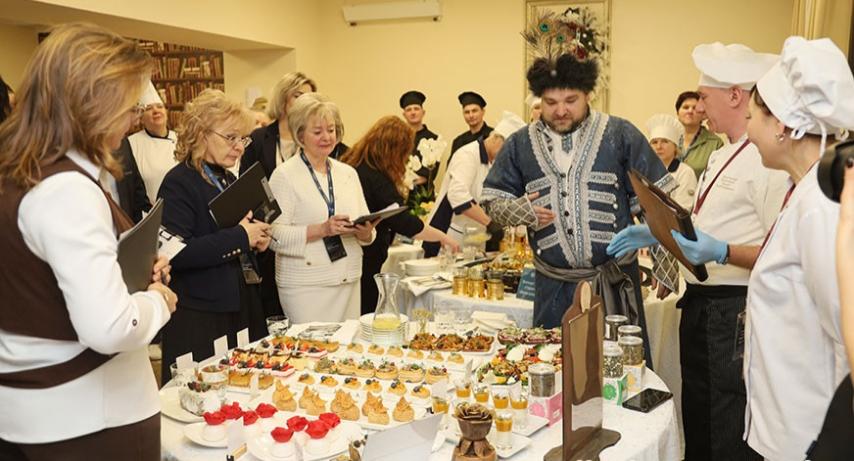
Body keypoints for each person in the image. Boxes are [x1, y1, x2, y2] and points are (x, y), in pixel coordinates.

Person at [0, 23, 176, 460]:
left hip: (34, 414)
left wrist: (129, 270)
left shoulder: (22, 171)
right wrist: (157, 301)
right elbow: (109, 327)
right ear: (91, 103)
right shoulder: (67, 189)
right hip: (90, 419)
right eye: (128, 105)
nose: (132, 118)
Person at [607, 42, 789, 461]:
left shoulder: (765, 161)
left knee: (725, 425)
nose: (700, 109)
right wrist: (657, 233)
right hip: (701, 305)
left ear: (735, 95)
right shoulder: (723, 154)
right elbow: (704, 226)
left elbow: (780, 252)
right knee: (699, 420)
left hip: (734, 311)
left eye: (705, 98)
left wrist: (723, 251)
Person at [481, 41, 674, 370]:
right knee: (552, 371)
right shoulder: (519, 144)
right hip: (553, 289)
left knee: (621, 375)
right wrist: (519, 212)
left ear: (588, 95)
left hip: (614, 286)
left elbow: (659, 203)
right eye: (550, 102)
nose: (560, 111)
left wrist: (665, 258)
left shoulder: (620, 134)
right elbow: (491, 201)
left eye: (570, 101)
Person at [738, 37, 853, 461]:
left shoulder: (820, 207)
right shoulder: (801, 192)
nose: (748, 130)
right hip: (784, 428)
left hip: (805, 438)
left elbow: (845, 330)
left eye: (753, 116)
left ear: (782, 125)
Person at [158, 89, 270, 381]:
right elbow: (176, 254)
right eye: (230, 137)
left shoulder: (226, 176)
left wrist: (256, 239)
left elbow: (228, 234)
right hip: (201, 313)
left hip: (240, 304)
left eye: (242, 139)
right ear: (201, 134)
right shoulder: (178, 182)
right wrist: (241, 238)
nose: (239, 147)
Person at [269, 93, 377, 323]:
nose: (327, 137)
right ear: (300, 135)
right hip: (305, 285)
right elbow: (273, 236)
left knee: (347, 344)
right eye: (317, 132)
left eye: (331, 129)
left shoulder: (348, 173)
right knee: (311, 345)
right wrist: (323, 229)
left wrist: (365, 233)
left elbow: (368, 232)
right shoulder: (284, 175)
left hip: (348, 279)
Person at [341, 115, 459, 313]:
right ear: (394, 149)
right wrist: (443, 237)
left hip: (352, 254)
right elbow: (404, 222)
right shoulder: (375, 176)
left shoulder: (357, 164)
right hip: (365, 256)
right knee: (366, 311)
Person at [424, 111, 526, 257]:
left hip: (473, 237)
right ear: (496, 139)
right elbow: (457, 195)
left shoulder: (491, 163)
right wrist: (489, 223)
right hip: (448, 234)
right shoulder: (468, 155)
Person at [119, 82, 178, 205]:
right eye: (149, 108)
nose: (156, 111)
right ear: (141, 118)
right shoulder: (131, 144)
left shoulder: (181, 139)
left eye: (160, 106)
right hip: (150, 210)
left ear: (166, 113)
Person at [646, 113, 697, 209]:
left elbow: (683, 208)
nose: (659, 147)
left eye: (665, 141)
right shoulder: (646, 171)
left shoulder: (685, 172)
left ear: (675, 147)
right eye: (654, 142)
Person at [400, 90, 439, 206]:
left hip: (424, 195)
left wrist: (409, 181)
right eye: (409, 110)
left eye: (416, 109)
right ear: (404, 114)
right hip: (401, 194)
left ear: (423, 112)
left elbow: (430, 173)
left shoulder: (433, 139)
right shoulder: (397, 138)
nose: (413, 112)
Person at [675, 90, 724, 177]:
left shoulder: (715, 143)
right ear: (678, 113)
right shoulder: (667, 140)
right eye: (685, 107)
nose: (690, 111)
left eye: (695, 108)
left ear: (703, 114)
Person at [450, 91, 492, 155]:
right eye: (467, 112)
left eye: (474, 111)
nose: (471, 115)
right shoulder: (458, 142)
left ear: (483, 112)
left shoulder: (493, 137)